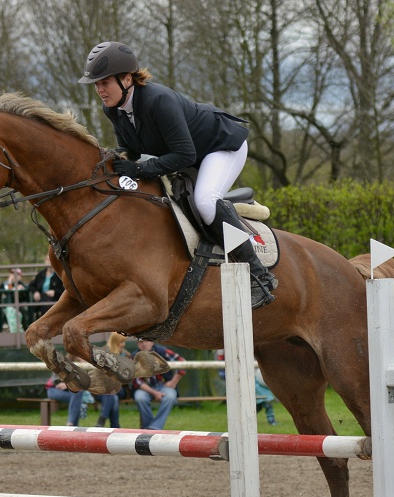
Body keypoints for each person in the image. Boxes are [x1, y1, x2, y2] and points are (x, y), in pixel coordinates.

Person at [78, 41, 277, 309]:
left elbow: (184, 155)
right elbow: (130, 149)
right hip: (193, 154)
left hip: (221, 147)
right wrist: (109, 163)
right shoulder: (113, 108)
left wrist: (138, 169)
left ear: (126, 79)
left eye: (104, 83)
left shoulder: (158, 101)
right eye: (96, 84)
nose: (100, 90)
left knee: (206, 201)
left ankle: (259, 276)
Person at [132, 339, 185, 430]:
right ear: (137, 344)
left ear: (152, 342)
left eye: (146, 341)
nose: (144, 344)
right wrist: (155, 393)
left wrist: (173, 382)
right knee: (140, 398)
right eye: (141, 342)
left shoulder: (162, 351)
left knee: (170, 397)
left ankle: (154, 427)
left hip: (164, 385)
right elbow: (137, 381)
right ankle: (149, 428)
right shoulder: (134, 357)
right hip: (146, 388)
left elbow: (182, 361)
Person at [95, 332, 130, 428]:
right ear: (115, 342)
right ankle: (115, 427)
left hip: (120, 389)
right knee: (113, 397)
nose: (124, 345)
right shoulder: (102, 354)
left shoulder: (126, 356)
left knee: (111, 390)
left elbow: (127, 377)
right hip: (102, 389)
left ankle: (102, 419)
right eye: (122, 342)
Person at [28, 255, 64, 320]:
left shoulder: (59, 274)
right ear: (45, 261)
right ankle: (46, 319)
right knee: (43, 298)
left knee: (45, 299)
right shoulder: (41, 274)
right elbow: (31, 285)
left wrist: (54, 292)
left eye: (51, 260)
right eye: (47, 260)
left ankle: (45, 319)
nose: (49, 262)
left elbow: (64, 289)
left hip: (54, 299)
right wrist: (35, 292)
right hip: (41, 299)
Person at [0, 267, 27, 333]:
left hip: (19, 306)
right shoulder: (6, 284)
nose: (13, 276)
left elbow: (24, 295)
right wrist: (9, 281)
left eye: (16, 274)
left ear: (20, 277)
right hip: (8, 307)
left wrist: (19, 288)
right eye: (12, 274)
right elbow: (7, 290)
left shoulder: (21, 284)